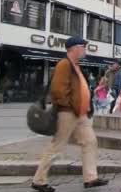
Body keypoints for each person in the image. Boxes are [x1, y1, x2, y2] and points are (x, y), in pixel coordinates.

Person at [31, 37, 108, 192]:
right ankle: (39, 181)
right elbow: (58, 91)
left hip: (81, 114)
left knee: (90, 142)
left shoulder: (76, 66)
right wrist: (71, 107)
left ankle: (90, 178)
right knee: (57, 146)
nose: (85, 49)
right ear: (73, 48)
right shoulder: (64, 65)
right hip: (69, 112)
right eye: (82, 46)